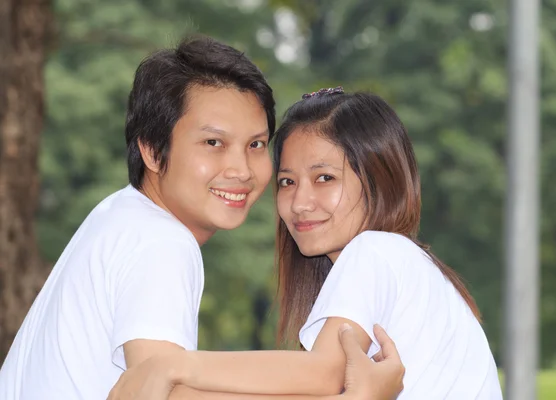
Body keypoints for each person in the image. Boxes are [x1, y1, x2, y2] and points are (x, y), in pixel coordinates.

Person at [0, 37, 404, 400]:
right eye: (214, 143)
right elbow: (164, 392)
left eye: (256, 144)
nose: (241, 169)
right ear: (152, 151)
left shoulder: (118, 217)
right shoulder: (160, 240)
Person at [106, 89, 503, 399]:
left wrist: (173, 368)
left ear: (381, 178)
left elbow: (325, 375)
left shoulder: (379, 251)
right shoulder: (407, 267)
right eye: (287, 182)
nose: (299, 203)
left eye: (325, 178)